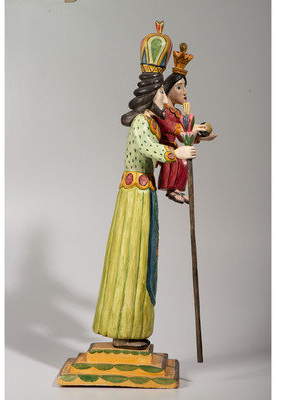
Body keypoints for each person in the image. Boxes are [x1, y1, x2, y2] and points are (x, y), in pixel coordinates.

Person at [92, 23, 196, 349]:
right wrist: (175, 153)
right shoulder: (141, 122)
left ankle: (133, 325)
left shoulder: (153, 120)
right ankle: (124, 326)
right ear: (153, 95)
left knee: (143, 255)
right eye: (163, 93)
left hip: (144, 193)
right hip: (134, 197)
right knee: (132, 256)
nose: (167, 98)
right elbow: (150, 149)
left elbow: (171, 134)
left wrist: (188, 138)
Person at [156, 43, 217, 204]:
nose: (184, 92)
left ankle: (176, 189)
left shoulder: (177, 113)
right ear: (168, 89)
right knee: (176, 157)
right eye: (179, 87)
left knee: (183, 160)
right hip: (163, 147)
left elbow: (183, 137)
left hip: (173, 146)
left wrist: (200, 137)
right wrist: (189, 128)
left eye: (184, 87)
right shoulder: (163, 110)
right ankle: (170, 189)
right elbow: (172, 127)